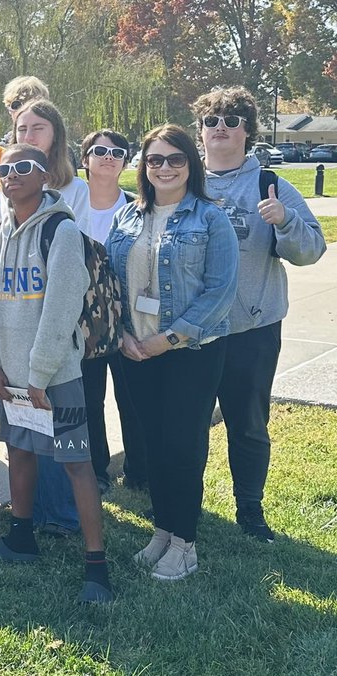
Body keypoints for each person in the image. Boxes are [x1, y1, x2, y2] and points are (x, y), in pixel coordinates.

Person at [0, 144, 113, 604]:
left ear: (45, 175)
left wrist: (39, 375)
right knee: (19, 451)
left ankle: (96, 566)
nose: (10, 175)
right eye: (4, 169)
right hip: (10, 379)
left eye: (22, 167)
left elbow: (60, 311)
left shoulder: (62, 231)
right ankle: (21, 537)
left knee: (76, 463)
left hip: (56, 379)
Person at [106, 124, 238, 581]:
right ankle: (162, 531)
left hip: (191, 352)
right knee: (153, 444)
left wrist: (169, 339)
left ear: (191, 164)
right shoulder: (127, 216)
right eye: (155, 159)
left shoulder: (211, 218)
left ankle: (185, 544)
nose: (164, 168)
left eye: (175, 159)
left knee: (182, 445)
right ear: (144, 166)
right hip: (134, 351)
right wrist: (123, 335)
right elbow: (111, 284)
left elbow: (220, 292)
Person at [193, 87, 326, 541]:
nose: (221, 127)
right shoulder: (184, 180)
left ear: (247, 131)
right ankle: (184, 501)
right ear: (200, 131)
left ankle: (249, 508)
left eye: (232, 120)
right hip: (191, 331)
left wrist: (285, 219)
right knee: (189, 423)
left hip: (252, 328)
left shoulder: (270, 184)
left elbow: (311, 250)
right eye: (212, 121)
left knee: (248, 425)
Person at [78, 129, 142, 493]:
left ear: (126, 162)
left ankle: (139, 471)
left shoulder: (137, 208)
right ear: (84, 158)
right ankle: (96, 471)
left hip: (130, 320)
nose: (108, 157)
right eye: (99, 150)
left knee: (132, 399)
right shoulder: (68, 205)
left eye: (117, 152)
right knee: (89, 399)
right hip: (83, 322)